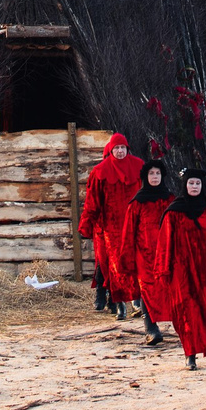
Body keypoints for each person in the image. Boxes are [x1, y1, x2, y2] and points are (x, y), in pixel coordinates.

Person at [148, 167, 206, 368]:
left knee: (205, 311)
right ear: (185, 185)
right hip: (181, 271)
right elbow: (164, 242)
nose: (194, 187)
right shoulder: (174, 212)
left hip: (203, 270)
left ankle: (199, 345)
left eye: (198, 183)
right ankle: (190, 353)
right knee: (186, 311)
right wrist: (163, 269)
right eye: (191, 183)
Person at [78, 132, 143, 316]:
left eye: (123, 148)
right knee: (111, 264)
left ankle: (137, 301)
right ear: (111, 150)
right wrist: (87, 223)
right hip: (110, 226)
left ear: (127, 149)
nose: (120, 151)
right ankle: (116, 300)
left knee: (136, 261)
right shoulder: (100, 171)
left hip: (133, 223)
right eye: (117, 148)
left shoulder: (138, 167)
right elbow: (92, 201)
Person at [131, 159, 175, 345]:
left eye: (157, 173)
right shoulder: (137, 202)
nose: (155, 177)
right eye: (151, 174)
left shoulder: (171, 200)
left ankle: (177, 323)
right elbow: (129, 231)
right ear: (145, 177)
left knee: (168, 288)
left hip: (167, 254)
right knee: (147, 289)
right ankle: (151, 329)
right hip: (145, 253)